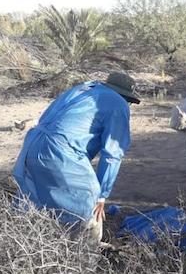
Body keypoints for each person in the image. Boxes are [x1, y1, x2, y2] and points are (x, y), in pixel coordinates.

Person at [12, 72, 140, 241]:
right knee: (87, 209)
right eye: (129, 101)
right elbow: (112, 154)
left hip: (32, 145)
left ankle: (28, 252)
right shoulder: (118, 103)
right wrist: (102, 195)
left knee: (34, 206)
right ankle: (81, 260)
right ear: (124, 96)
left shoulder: (81, 89)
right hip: (59, 152)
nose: (128, 105)